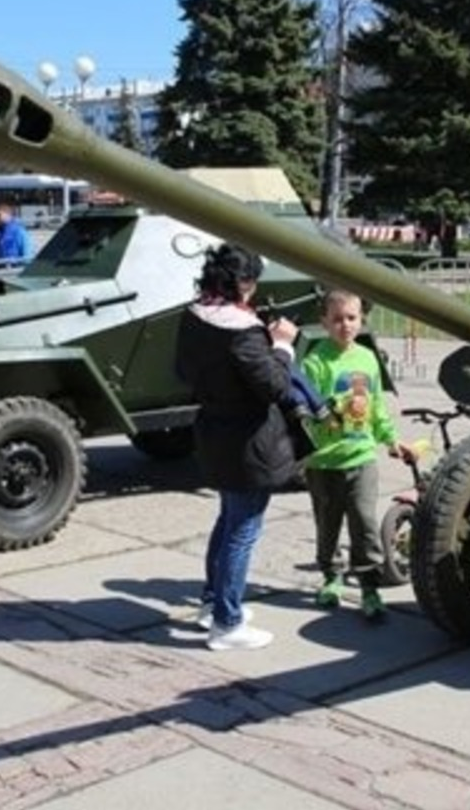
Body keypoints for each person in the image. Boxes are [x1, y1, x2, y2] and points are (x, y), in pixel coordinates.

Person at [175, 244, 300, 652]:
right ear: (243, 283)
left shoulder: (195, 315)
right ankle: (226, 623)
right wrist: (282, 345)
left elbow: (182, 371)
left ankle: (212, 604)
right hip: (249, 442)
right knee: (243, 531)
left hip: (214, 431)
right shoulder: (243, 331)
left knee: (228, 521)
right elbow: (275, 387)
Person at [300, 289, 409, 620]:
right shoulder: (315, 362)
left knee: (365, 523)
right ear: (323, 322)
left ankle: (369, 587)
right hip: (324, 461)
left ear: (362, 320)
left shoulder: (367, 358)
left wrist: (391, 440)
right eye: (337, 319)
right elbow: (304, 411)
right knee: (327, 524)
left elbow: (376, 407)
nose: (345, 325)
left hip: (361, 458)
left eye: (351, 317)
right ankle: (331, 577)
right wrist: (330, 409)